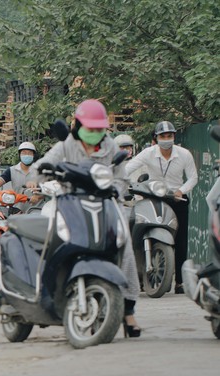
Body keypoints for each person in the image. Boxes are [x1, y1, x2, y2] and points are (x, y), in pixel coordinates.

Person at [27, 99, 142, 337]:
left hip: (106, 204)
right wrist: (35, 178)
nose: (95, 134)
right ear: (78, 125)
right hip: (71, 203)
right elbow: (40, 166)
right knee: (53, 237)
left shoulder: (110, 147)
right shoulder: (67, 145)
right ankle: (44, 289)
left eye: (99, 129)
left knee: (125, 247)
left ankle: (128, 309)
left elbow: (121, 179)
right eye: (90, 129)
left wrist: (115, 191)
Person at [125, 121, 198, 295]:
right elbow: (128, 168)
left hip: (177, 198)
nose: (166, 139)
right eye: (163, 136)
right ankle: (141, 274)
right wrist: (124, 182)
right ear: (156, 139)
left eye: (169, 136)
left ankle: (180, 282)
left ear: (174, 137)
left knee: (181, 240)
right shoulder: (148, 153)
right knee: (140, 228)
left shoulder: (184, 154)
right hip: (153, 196)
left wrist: (182, 190)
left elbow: (193, 177)